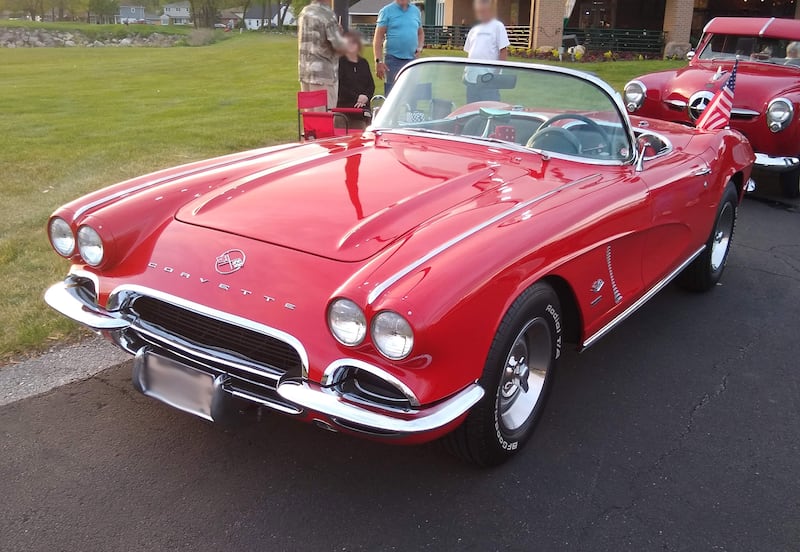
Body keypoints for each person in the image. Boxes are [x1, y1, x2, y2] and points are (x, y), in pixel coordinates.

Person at [297, 0, 348, 111]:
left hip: (305, 73)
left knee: (310, 119)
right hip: (323, 75)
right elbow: (339, 46)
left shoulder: (305, 12)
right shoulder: (327, 15)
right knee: (324, 118)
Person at [373, 0, 424, 95]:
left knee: (412, 93)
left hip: (411, 60)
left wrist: (419, 48)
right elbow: (378, 38)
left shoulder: (415, 11)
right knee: (392, 93)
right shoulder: (386, 11)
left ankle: (411, 110)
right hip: (393, 60)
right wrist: (378, 61)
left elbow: (420, 33)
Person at [463, 0, 509, 103]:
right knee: (471, 112)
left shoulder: (498, 26)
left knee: (489, 110)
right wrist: (465, 72)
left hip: (489, 81)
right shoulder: (474, 30)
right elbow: (470, 53)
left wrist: (495, 75)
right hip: (471, 81)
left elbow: (503, 51)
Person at [337, 31, 375, 110]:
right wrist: (357, 97)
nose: (350, 45)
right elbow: (339, 86)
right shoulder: (340, 62)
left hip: (363, 106)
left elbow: (371, 85)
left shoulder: (364, 63)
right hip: (344, 106)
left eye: (353, 42)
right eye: (348, 43)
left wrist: (366, 97)